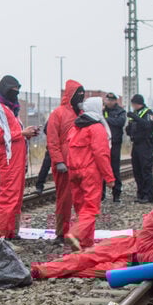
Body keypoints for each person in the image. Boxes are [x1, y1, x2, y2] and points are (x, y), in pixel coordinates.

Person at [32, 198, 153, 279]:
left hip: (143, 248)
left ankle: (47, 269)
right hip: (145, 250)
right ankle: (47, 270)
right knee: (92, 259)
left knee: (92, 258)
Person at [0, 75, 38, 239]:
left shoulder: (8, 109)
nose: (16, 94)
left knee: (16, 198)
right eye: (13, 91)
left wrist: (25, 134)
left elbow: (9, 134)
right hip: (7, 160)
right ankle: (2, 236)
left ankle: (12, 232)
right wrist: (22, 133)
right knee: (8, 198)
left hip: (16, 159)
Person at [65, 97, 115, 251]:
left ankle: (86, 242)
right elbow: (101, 154)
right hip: (89, 172)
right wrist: (109, 177)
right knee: (91, 208)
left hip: (73, 171)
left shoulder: (75, 128)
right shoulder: (97, 128)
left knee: (81, 208)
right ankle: (75, 233)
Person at [46, 80, 85, 242]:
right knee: (64, 199)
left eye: (83, 93)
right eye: (78, 93)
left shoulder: (82, 114)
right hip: (65, 164)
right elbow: (52, 140)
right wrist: (58, 160)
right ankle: (62, 232)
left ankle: (80, 230)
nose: (81, 96)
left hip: (80, 163)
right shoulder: (58, 113)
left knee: (81, 199)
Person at [127, 94, 153, 203]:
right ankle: (141, 194)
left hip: (146, 144)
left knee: (145, 170)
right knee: (137, 170)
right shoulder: (135, 114)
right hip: (136, 144)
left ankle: (148, 196)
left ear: (137, 103)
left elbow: (148, 126)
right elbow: (131, 128)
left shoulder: (149, 113)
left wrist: (135, 118)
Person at [102, 92, 126, 202]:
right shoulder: (102, 110)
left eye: (112, 100)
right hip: (103, 143)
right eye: (108, 100)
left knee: (115, 169)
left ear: (115, 101)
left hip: (115, 143)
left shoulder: (120, 111)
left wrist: (106, 120)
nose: (110, 102)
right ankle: (101, 194)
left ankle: (116, 194)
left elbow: (120, 122)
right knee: (102, 168)